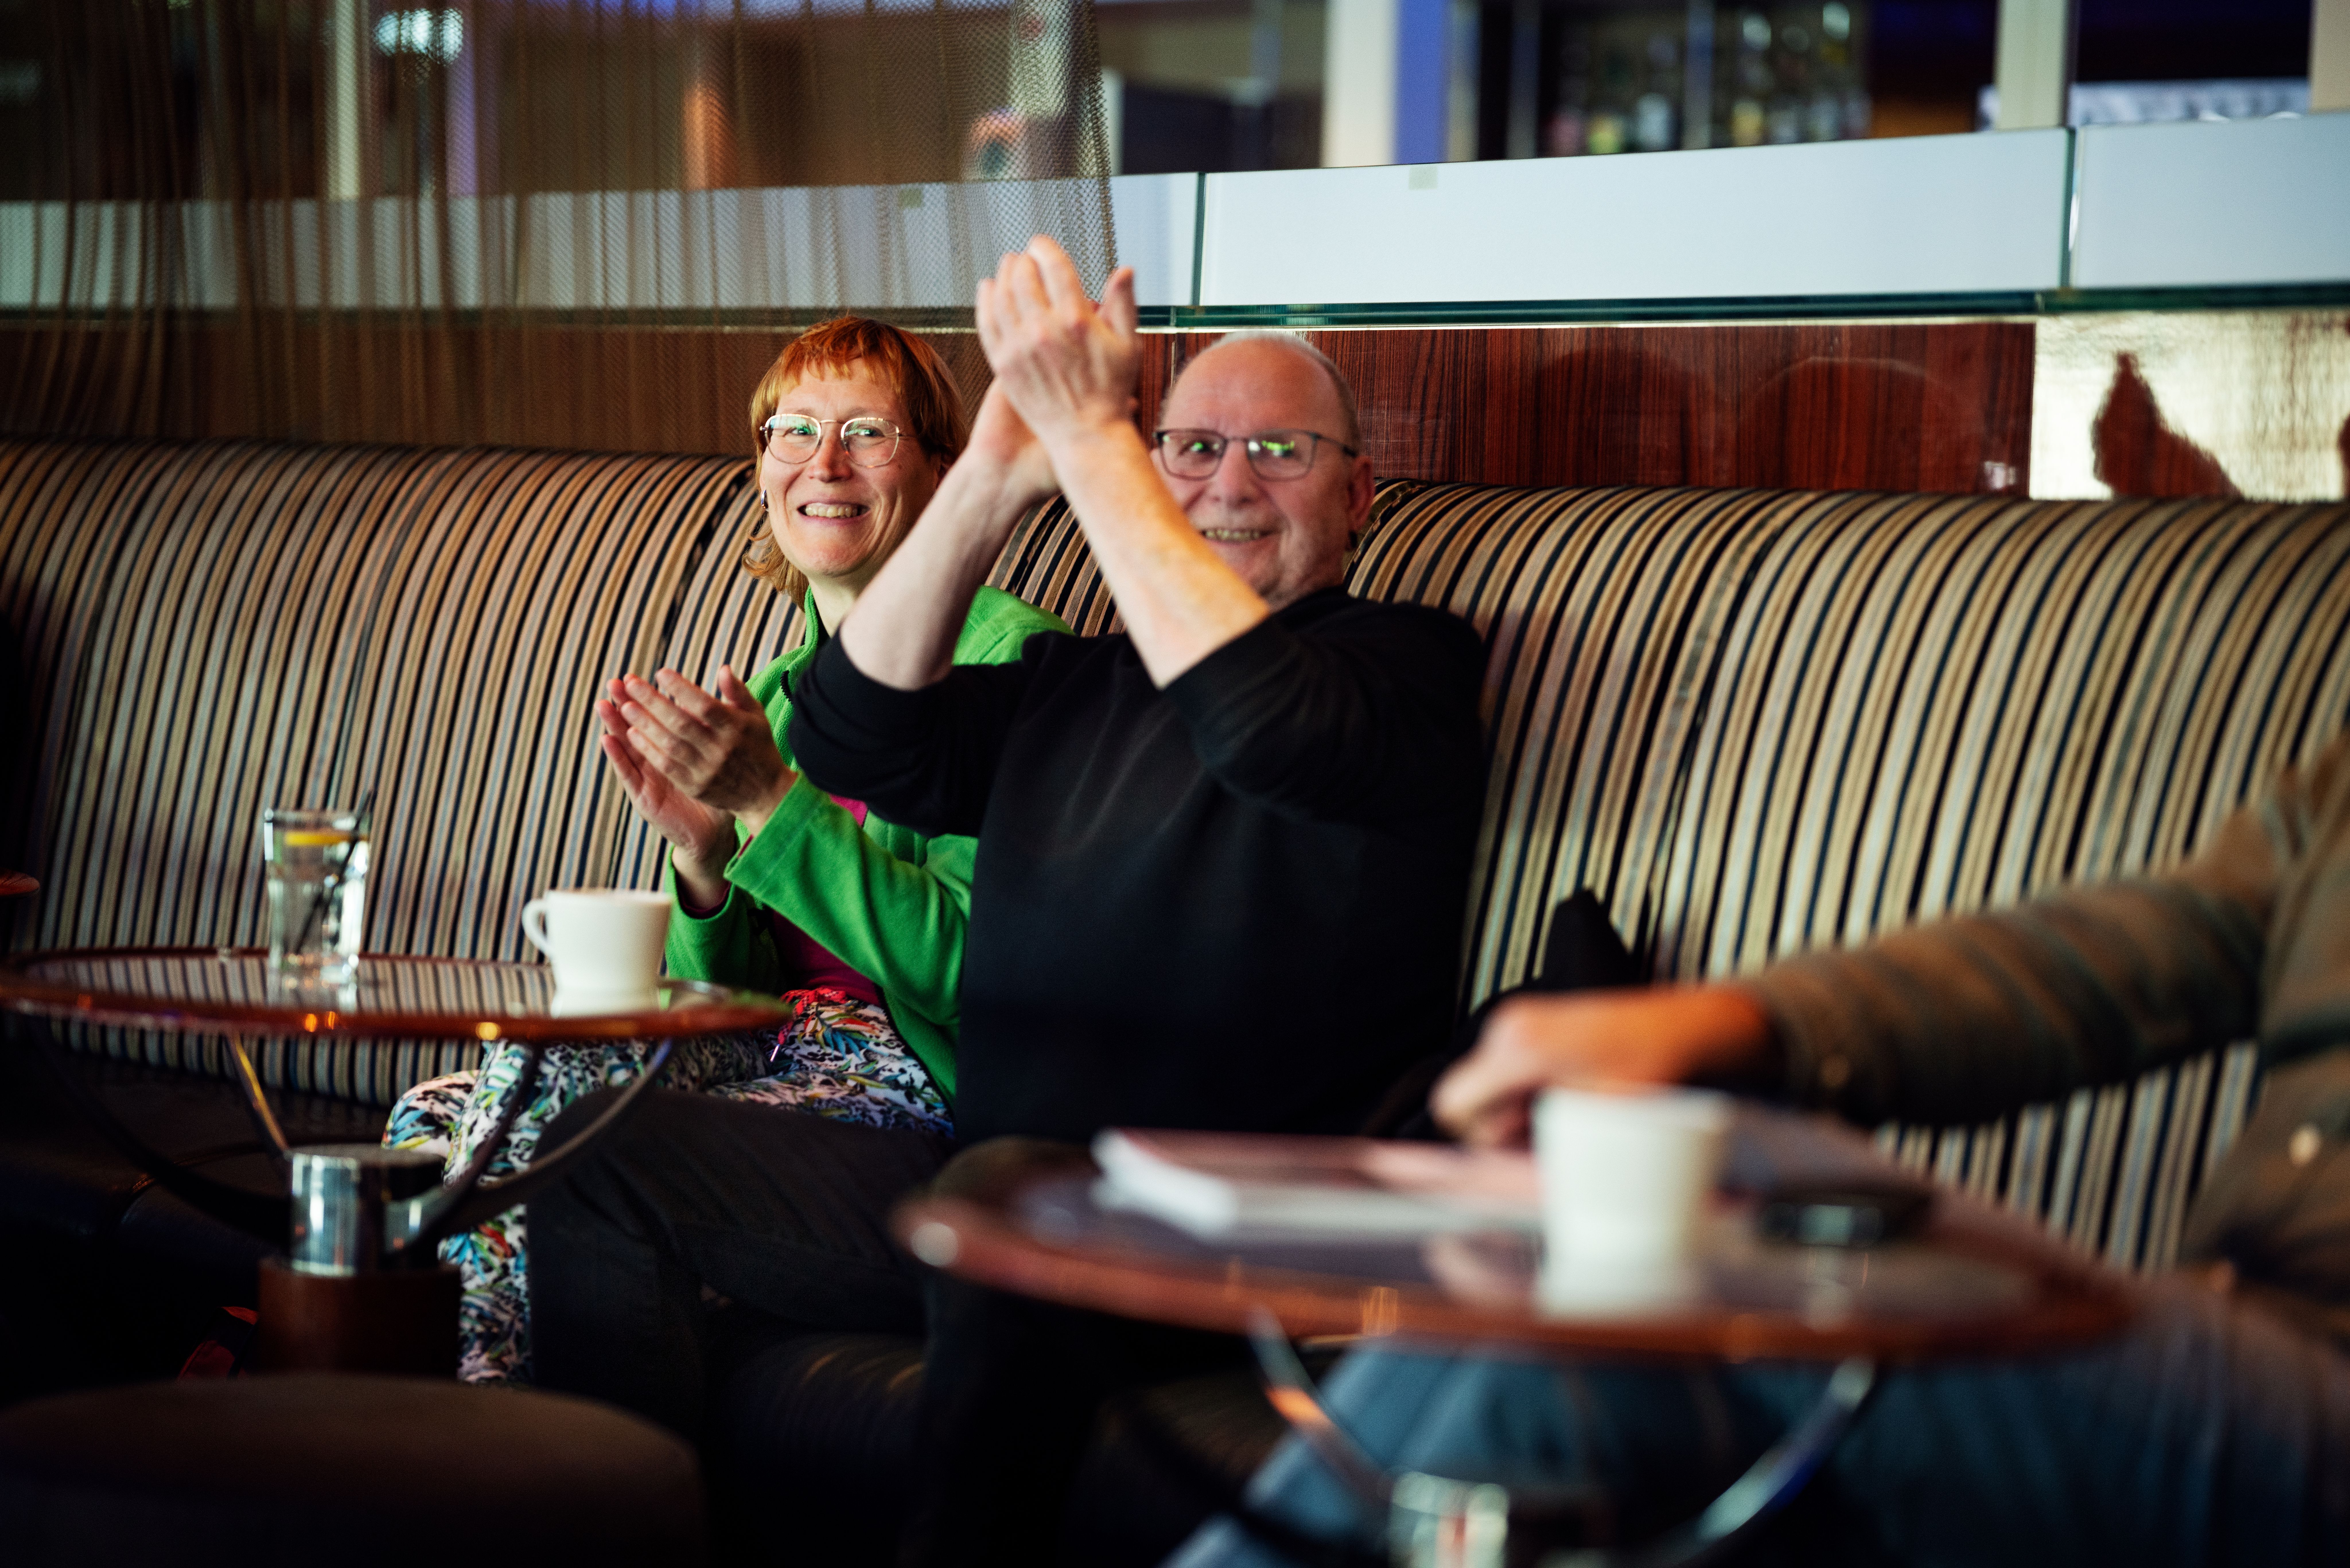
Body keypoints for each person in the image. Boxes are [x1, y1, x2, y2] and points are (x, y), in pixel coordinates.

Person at [524, 238, 1487, 1560]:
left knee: (1012, 1194)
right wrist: (985, 476)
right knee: (598, 1153)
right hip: (988, 1172)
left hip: (1217, 1223)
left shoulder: (1406, 669)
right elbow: (852, 731)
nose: (1227, 482)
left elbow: (1264, 727)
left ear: (1361, 492)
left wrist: (1104, 448)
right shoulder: (1071, 689)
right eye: (1193, 447)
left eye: (1280, 452)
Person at [1175, 732, 2350, 1567]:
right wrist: (1725, 1022)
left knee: (1696, 1190)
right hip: (2227, 1344)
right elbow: (2103, 963)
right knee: (1568, 1344)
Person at [382, 316, 1066, 1384]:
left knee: (538, 1106)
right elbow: (731, 999)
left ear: (940, 468)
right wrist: (706, 860)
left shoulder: (1010, 660)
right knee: (437, 1115)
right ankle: (443, 1419)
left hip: (921, 1094)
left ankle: (463, 1428)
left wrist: (774, 802)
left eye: (866, 432)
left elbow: (971, 965)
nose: (822, 464)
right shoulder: (787, 687)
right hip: (791, 1062)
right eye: (790, 431)